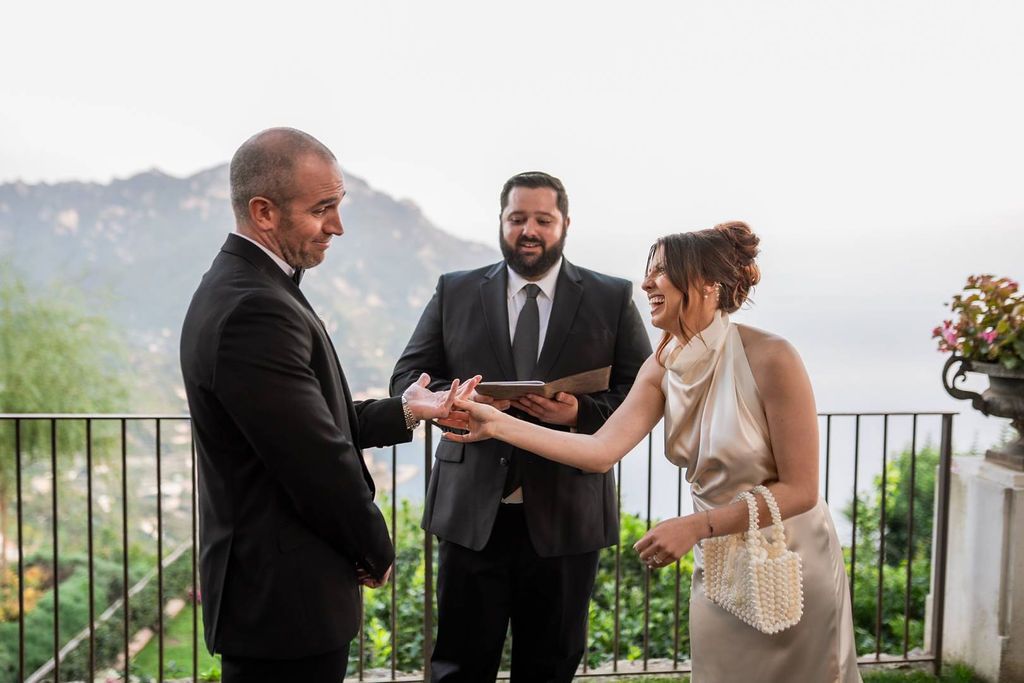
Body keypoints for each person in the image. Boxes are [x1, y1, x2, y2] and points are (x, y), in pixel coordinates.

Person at [442, 221, 863, 682]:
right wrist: (497, 424)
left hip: (790, 561)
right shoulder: (662, 363)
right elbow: (600, 451)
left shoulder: (772, 356)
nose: (646, 283)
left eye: (661, 271)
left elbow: (801, 490)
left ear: (706, 284)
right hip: (719, 562)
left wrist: (697, 526)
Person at [179, 127, 474, 683]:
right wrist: (375, 546)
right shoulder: (254, 309)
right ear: (264, 212)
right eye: (323, 209)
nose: (337, 226)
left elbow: (316, 419)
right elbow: (315, 459)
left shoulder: (255, 288)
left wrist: (411, 409)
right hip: (282, 604)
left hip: (279, 601)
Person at [390, 171, 652, 682]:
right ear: (502, 222)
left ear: (565, 224)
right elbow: (408, 376)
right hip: (470, 514)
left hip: (566, 517)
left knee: (550, 668)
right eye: (517, 219)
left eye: (542, 220)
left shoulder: (611, 296)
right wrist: (450, 403)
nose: (528, 230)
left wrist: (578, 413)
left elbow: (643, 391)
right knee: (459, 667)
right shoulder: (455, 290)